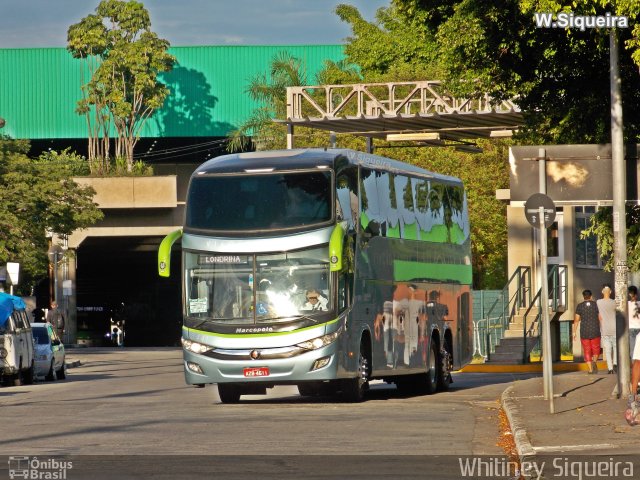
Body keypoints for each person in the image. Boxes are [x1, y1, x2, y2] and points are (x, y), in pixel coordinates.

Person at [573, 289, 601, 374]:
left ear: (583, 297)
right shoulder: (596, 305)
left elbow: (576, 320)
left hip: (584, 331)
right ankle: (594, 362)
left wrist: (574, 332)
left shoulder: (579, 306)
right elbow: (600, 318)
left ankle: (590, 369)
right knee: (596, 348)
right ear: (591, 296)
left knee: (587, 350)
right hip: (595, 330)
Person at [596, 284, 617, 374]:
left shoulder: (598, 302)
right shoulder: (615, 302)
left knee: (608, 351)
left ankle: (610, 368)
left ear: (602, 292)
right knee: (616, 349)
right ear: (611, 292)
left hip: (605, 330)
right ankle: (615, 363)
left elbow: (598, 315)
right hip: (615, 329)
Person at [628, 286, 640, 359]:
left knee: (632, 348)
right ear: (636, 294)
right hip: (639, 328)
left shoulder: (626, 304)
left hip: (630, 328)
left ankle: (634, 366)